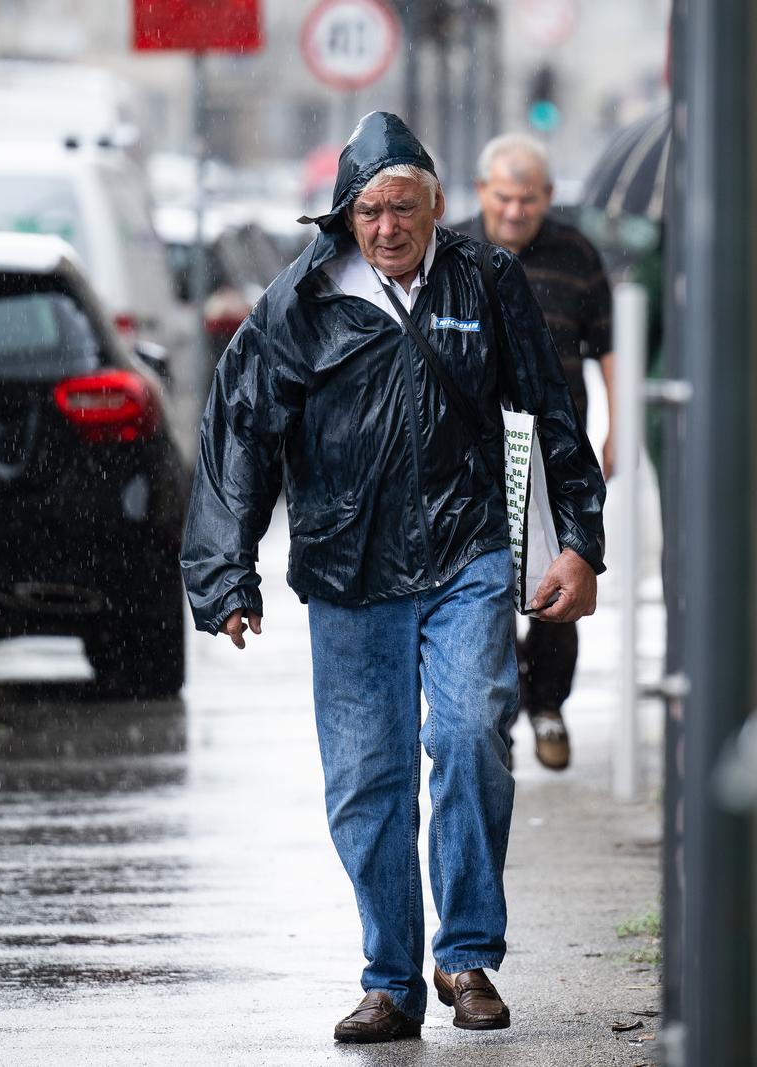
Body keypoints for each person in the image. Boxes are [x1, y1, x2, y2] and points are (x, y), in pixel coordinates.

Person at [179, 112, 606, 1044]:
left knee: (469, 734)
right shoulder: (302, 300)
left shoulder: (485, 279)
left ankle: (465, 954)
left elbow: (549, 405)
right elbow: (240, 425)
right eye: (369, 210)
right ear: (344, 215)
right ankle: (390, 979)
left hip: (468, 552)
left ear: (436, 206)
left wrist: (580, 540)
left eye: (403, 207)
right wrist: (223, 572)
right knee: (367, 780)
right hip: (348, 565)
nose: (387, 226)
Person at [452, 133, 616, 772]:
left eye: (528, 199)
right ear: (481, 193)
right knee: (483, 582)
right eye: (504, 197)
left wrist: (616, 429)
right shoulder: (455, 252)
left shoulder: (575, 254)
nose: (516, 210)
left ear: (548, 197)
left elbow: (609, 345)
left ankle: (546, 701)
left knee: (557, 576)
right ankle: (496, 717)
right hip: (477, 452)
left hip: (556, 449)